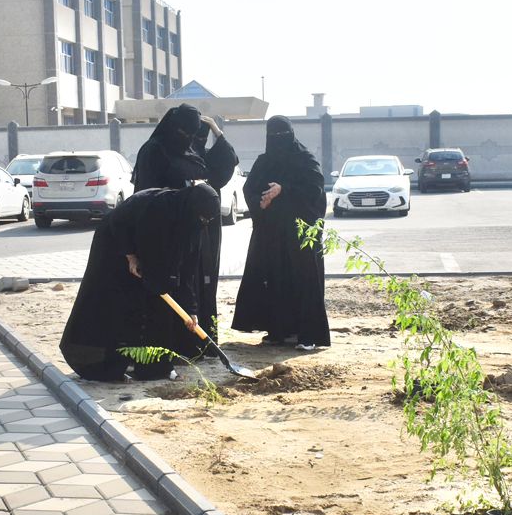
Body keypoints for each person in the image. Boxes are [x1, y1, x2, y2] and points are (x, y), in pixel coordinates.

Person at [59, 183, 222, 381]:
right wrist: (130, 255)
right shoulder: (159, 208)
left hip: (145, 252)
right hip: (114, 244)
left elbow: (187, 272)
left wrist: (191, 310)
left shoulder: (192, 225)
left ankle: (154, 367)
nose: (203, 223)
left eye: (207, 220)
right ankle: (106, 366)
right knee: (117, 304)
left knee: (157, 304)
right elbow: (119, 223)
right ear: (192, 207)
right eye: (202, 218)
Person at [132, 104, 238, 337]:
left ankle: (200, 338)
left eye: (192, 134)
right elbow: (146, 195)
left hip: (197, 230)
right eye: (184, 133)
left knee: (198, 281)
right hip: (167, 232)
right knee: (172, 283)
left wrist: (216, 130)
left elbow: (225, 165)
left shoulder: (192, 151)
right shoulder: (154, 150)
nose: (187, 138)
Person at [232, 116, 331, 350]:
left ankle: (307, 335)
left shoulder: (305, 160)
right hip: (272, 234)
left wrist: (283, 190)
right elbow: (249, 188)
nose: (278, 141)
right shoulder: (264, 162)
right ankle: (278, 330)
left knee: (304, 280)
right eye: (273, 137)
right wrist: (261, 202)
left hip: (300, 233)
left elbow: (314, 189)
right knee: (274, 280)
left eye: (282, 136)